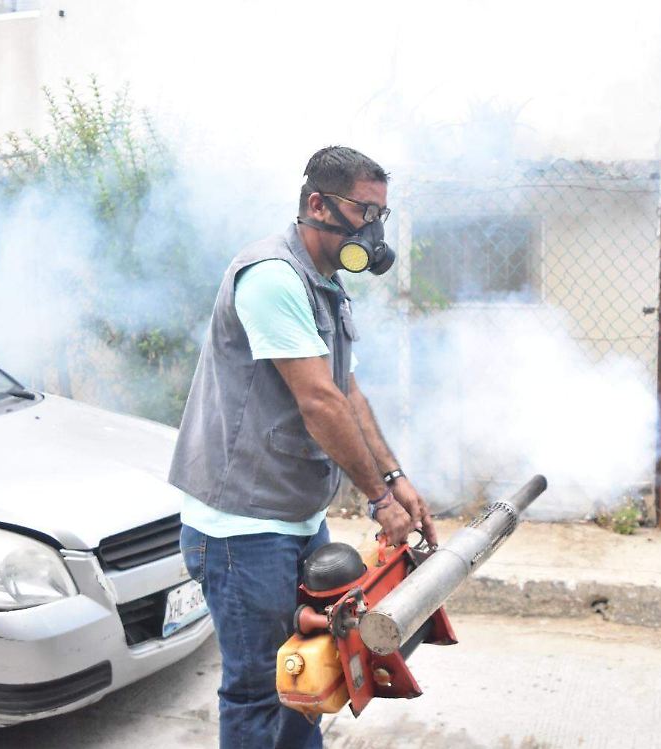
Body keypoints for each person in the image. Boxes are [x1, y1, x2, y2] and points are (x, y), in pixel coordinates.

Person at [168, 145, 437, 749]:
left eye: (380, 216)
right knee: (260, 688)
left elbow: (349, 393)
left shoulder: (324, 283)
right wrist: (377, 500)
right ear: (318, 204)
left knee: (312, 676)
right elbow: (319, 402)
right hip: (239, 527)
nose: (373, 230)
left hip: (293, 518)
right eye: (364, 212)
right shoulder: (270, 277)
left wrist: (396, 480)